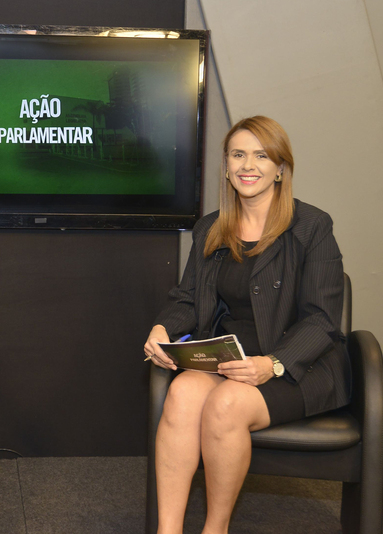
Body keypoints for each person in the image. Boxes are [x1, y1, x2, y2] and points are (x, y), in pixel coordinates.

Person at [143, 116, 350, 534]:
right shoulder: (210, 228)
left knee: (227, 405)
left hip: (297, 366)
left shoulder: (312, 227)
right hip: (229, 358)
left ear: (281, 168)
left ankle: (215, 529)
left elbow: (322, 319)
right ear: (226, 166)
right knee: (181, 394)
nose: (248, 165)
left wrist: (271, 363)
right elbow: (187, 298)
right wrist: (162, 329)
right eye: (238, 155)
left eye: (261, 156)